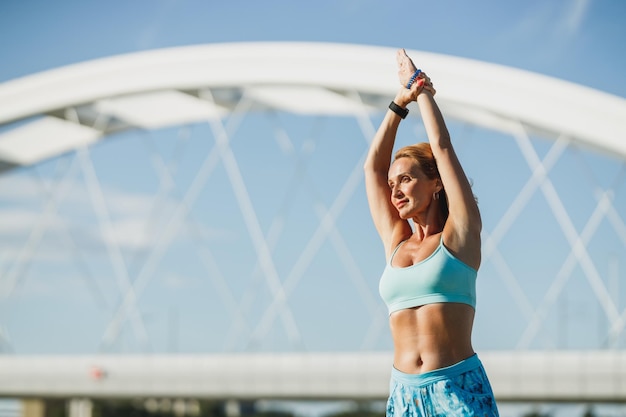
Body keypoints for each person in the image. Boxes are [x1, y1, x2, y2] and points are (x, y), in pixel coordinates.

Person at [364, 49, 499, 416]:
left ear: (436, 184)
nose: (394, 191)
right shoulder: (396, 242)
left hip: (458, 389)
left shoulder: (459, 237)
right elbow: (372, 169)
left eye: (406, 179)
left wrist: (420, 89)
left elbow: (441, 147)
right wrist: (398, 102)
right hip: (404, 393)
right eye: (392, 183)